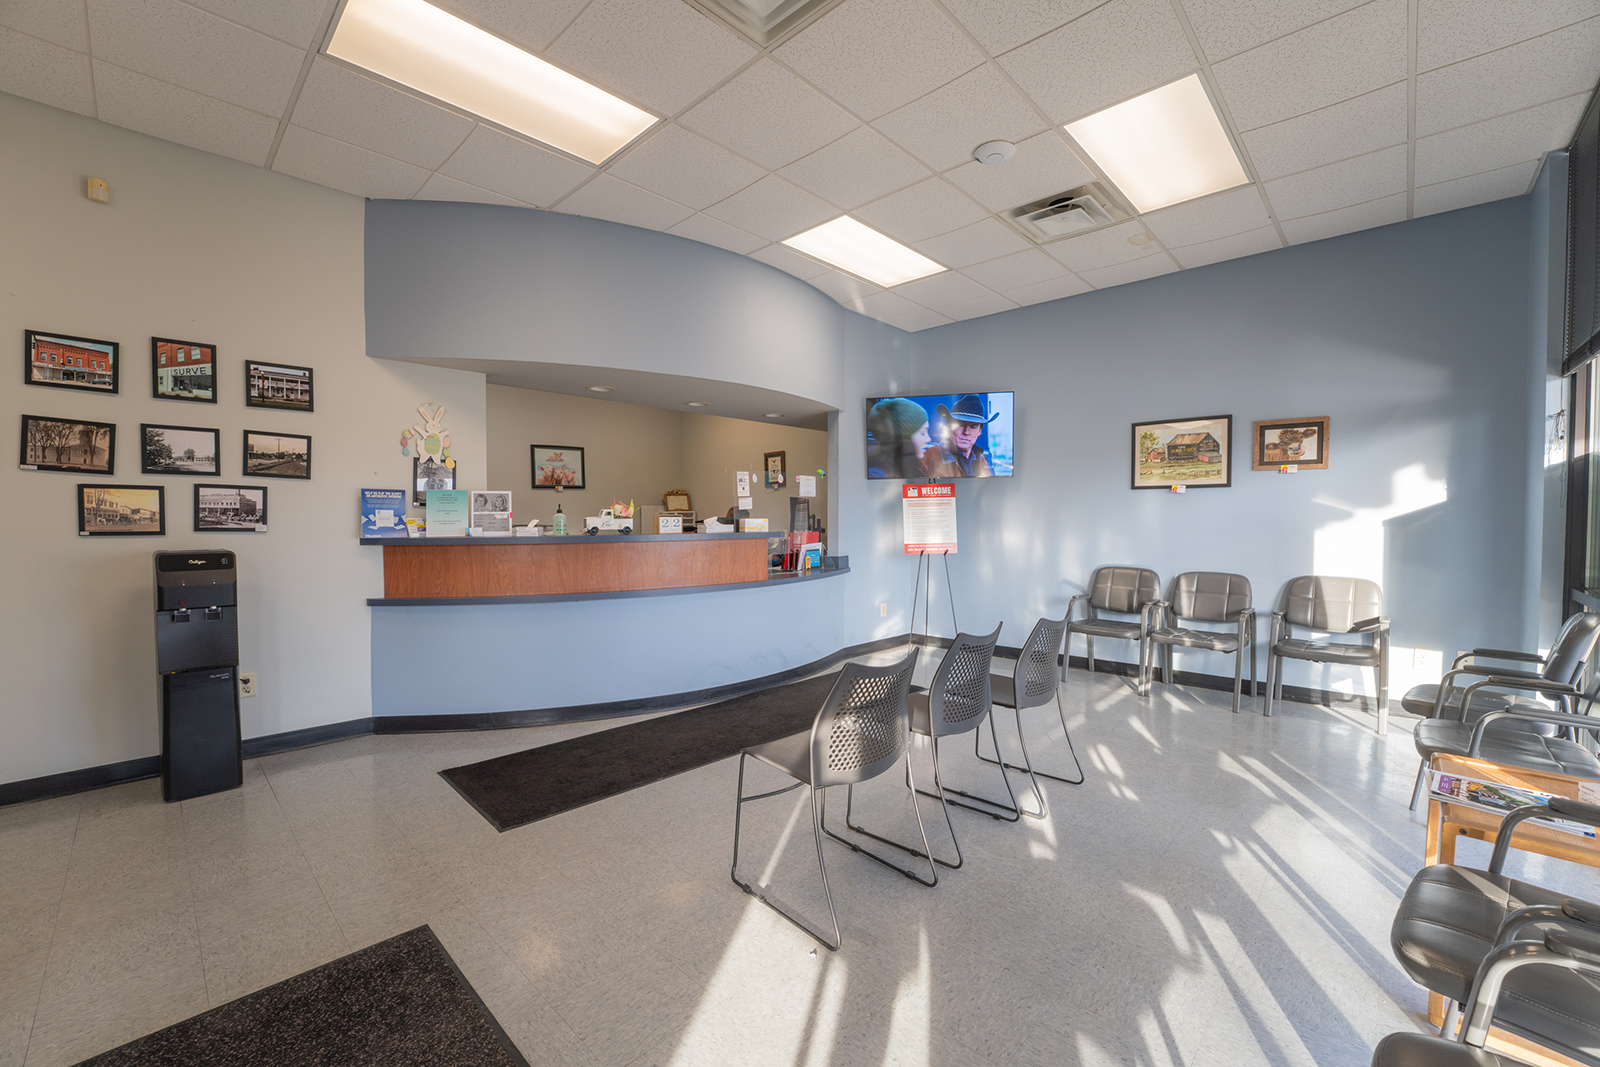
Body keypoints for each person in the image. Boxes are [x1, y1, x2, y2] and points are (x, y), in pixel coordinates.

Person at [922, 394, 997, 477]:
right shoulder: (928, 459)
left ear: (979, 431)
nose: (966, 432)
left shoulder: (981, 460)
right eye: (960, 425)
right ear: (949, 426)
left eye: (973, 427)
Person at [866, 398, 932, 479]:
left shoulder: (915, 467)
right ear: (903, 438)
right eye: (923, 433)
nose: (929, 439)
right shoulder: (879, 475)